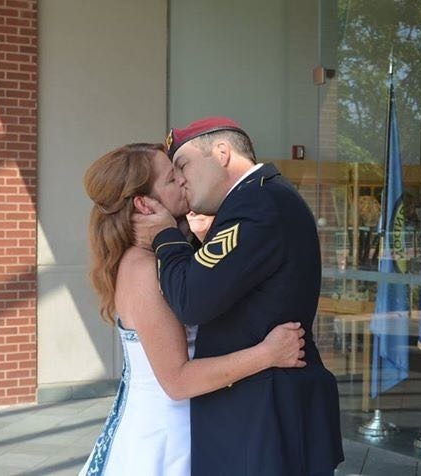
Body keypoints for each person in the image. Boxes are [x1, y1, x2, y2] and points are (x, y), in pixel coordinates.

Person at [78, 142, 308, 476]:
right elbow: (177, 381)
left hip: (191, 422)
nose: (183, 180)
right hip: (165, 438)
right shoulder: (143, 269)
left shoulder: (163, 255)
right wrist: (267, 354)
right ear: (144, 204)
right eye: (172, 178)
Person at [133, 118, 345, 476]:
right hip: (263, 408)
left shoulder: (255, 206)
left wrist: (165, 236)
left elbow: (190, 300)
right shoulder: (262, 199)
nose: (180, 179)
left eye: (183, 165)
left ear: (221, 153)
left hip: (260, 416)